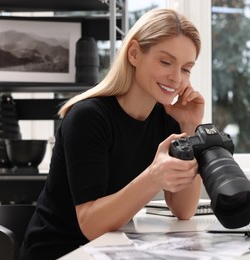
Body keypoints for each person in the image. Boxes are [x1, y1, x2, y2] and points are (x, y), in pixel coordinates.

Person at [20, 8, 204, 259]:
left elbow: (184, 210)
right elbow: (91, 225)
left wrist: (190, 128)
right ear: (135, 53)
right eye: (165, 61)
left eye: (186, 69)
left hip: (112, 248)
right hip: (61, 251)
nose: (175, 78)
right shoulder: (88, 117)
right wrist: (154, 177)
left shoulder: (168, 120)